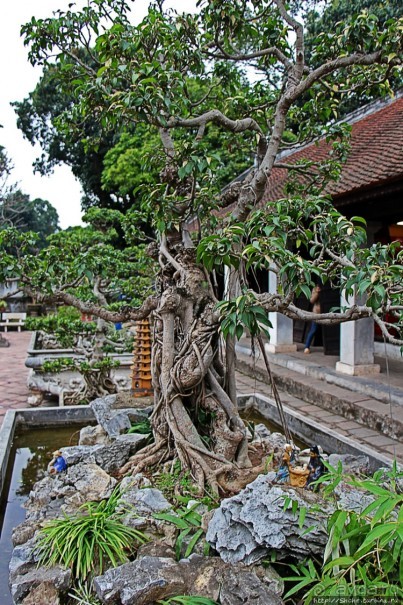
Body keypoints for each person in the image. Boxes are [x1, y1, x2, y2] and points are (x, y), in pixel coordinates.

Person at [304, 284, 321, 354]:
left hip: (328, 313)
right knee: (313, 330)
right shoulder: (315, 288)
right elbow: (311, 300)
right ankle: (307, 347)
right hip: (317, 313)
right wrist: (317, 293)